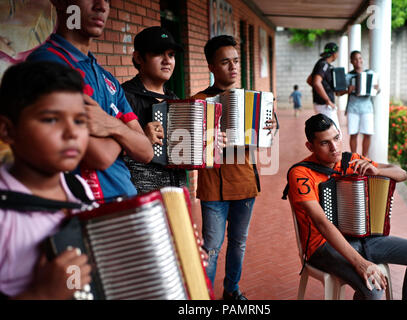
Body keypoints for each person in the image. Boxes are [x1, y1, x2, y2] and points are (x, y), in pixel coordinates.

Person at [286, 113, 407, 300]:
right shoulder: (300, 173)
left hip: (362, 238)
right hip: (323, 247)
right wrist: (361, 263)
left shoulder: (351, 161)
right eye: (324, 143)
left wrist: (378, 171)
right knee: (374, 289)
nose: (334, 148)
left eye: (336, 138)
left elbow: (401, 174)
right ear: (310, 146)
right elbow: (321, 223)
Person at [27, 0, 153, 201]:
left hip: (124, 205)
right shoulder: (49, 63)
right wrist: (126, 134)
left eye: (107, 0)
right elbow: (99, 156)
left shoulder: (107, 78)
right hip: (85, 212)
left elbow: (146, 151)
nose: (101, 6)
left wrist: (111, 125)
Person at [191, 35, 276, 300]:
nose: (233, 67)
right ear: (212, 67)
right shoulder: (198, 101)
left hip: (245, 184)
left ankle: (231, 290)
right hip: (213, 187)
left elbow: (268, 135)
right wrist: (207, 139)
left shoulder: (254, 100)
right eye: (225, 62)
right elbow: (187, 149)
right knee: (213, 247)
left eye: (236, 61)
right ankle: (205, 297)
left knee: (238, 243)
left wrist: (271, 127)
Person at [0, 61, 94, 299]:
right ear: (7, 130)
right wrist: (42, 295)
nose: (72, 133)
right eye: (51, 119)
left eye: (80, 121)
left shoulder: (78, 188)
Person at [121, 26, 187, 193]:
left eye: (171, 55)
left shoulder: (176, 101)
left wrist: (208, 145)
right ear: (138, 58)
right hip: (142, 196)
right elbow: (111, 151)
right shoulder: (123, 97)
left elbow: (184, 155)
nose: (167, 60)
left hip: (177, 192)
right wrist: (141, 138)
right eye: (158, 53)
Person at [346, 51, 379, 156]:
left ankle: (364, 158)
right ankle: (354, 157)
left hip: (367, 108)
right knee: (353, 134)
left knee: (368, 133)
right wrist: (348, 89)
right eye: (355, 59)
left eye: (360, 58)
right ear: (351, 61)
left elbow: (377, 90)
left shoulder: (370, 74)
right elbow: (339, 92)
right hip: (353, 108)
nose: (358, 61)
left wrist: (377, 89)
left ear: (362, 59)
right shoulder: (348, 76)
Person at [307, 42, 346, 130]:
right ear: (334, 53)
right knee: (335, 132)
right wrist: (327, 100)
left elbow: (310, 80)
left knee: (327, 132)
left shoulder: (321, 63)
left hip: (321, 104)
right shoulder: (324, 65)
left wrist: (319, 89)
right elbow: (316, 83)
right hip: (324, 105)